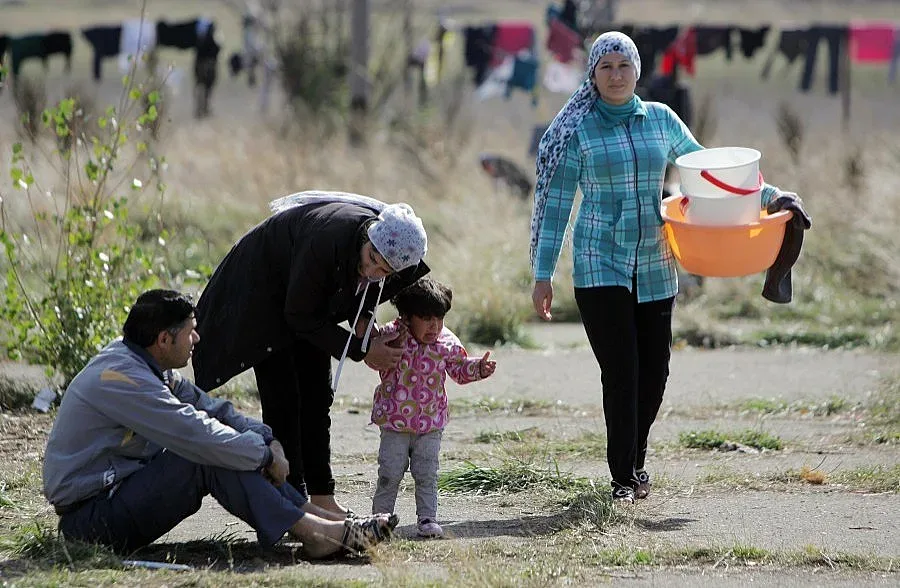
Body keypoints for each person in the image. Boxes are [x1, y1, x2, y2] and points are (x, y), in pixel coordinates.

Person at [529, 31, 803, 504]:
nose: (616, 75)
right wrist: (542, 272)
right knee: (622, 370)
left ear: (638, 72)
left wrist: (769, 196)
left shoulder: (660, 120)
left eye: (624, 66)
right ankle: (622, 479)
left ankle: (636, 461)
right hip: (599, 263)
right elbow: (556, 204)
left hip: (656, 262)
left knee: (655, 371)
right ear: (592, 75)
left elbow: (711, 176)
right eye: (606, 67)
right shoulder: (579, 130)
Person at [42, 289, 396, 557]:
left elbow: (212, 409)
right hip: (90, 520)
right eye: (190, 331)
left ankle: (323, 522)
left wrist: (265, 439)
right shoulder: (122, 379)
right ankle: (317, 534)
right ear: (164, 339)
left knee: (227, 445)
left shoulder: (146, 363)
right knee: (207, 454)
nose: (196, 338)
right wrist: (264, 456)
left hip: (119, 495)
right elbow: (195, 433)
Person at [192, 191, 430, 518]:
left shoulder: (375, 258)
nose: (372, 269)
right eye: (372, 257)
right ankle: (289, 500)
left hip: (305, 301)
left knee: (317, 397)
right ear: (369, 235)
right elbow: (298, 315)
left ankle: (321, 497)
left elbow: (365, 289)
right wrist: (362, 350)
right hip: (263, 294)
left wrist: (364, 320)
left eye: (384, 269)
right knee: (284, 400)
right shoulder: (328, 239)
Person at [369, 277, 497, 538]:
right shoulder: (392, 336)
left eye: (439, 318)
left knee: (427, 471)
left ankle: (427, 518)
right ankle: (378, 522)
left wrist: (478, 369)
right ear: (406, 316)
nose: (434, 326)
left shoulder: (446, 342)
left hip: (430, 423)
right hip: (395, 422)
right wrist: (376, 343)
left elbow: (459, 369)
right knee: (390, 472)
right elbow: (374, 358)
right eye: (426, 318)